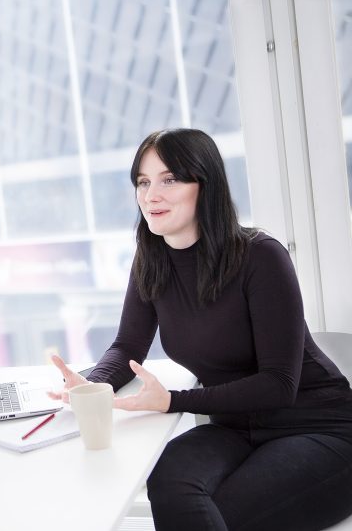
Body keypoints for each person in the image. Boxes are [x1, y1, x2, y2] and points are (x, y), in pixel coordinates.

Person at [49, 128, 352, 530]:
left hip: (320, 429)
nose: (150, 194)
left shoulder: (260, 256)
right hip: (233, 427)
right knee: (169, 483)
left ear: (204, 186)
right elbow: (126, 347)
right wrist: (95, 385)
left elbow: (279, 384)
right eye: (143, 181)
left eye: (169, 179)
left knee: (224, 513)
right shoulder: (151, 260)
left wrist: (172, 400)